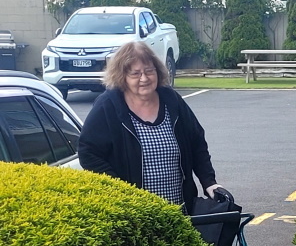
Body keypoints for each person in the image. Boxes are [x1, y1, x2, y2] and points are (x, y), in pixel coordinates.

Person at [78, 41, 224, 211]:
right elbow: (88, 152)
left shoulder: (171, 100)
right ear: (122, 76)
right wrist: (119, 189)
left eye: (149, 71)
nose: (144, 79)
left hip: (180, 210)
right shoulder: (108, 106)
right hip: (133, 215)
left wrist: (209, 183)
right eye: (135, 74)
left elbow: (196, 142)